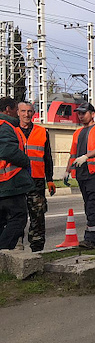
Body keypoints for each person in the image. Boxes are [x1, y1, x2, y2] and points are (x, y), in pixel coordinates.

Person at [64, 102, 95, 248]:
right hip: (82, 174)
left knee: (92, 205)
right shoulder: (77, 132)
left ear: (92, 114)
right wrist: (67, 170)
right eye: (79, 113)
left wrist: (86, 157)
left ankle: (92, 238)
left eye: (84, 113)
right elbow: (72, 153)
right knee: (90, 205)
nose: (81, 116)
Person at [17, 101, 56, 252]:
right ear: (18, 113)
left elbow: (47, 158)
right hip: (17, 180)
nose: (26, 114)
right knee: (16, 215)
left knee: (38, 216)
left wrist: (50, 179)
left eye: (29, 111)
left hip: (36, 180)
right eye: (23, 111)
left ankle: (37, 249)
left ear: (33, 113)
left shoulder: (42, 132)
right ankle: (16, 247)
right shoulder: (11, 131)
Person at [0, 97, 33, 250]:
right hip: (9, 181)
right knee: (19, 217)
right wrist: (26, 160)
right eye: (15, 109)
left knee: (1, 220)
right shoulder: (5, 126)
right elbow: (7, 150)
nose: (17, 114)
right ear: (8, 109)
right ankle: (4, 252)